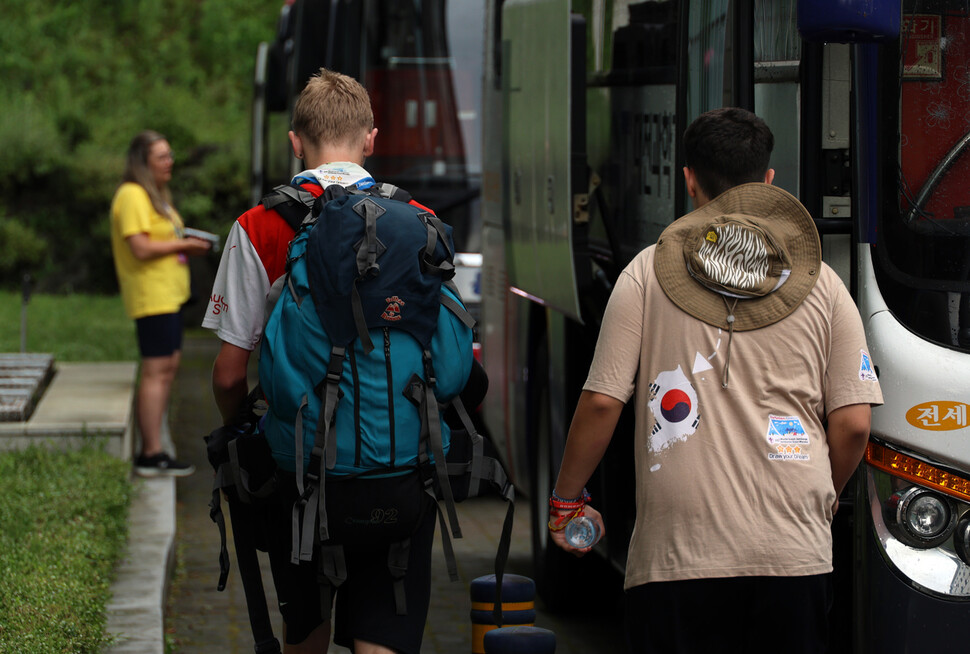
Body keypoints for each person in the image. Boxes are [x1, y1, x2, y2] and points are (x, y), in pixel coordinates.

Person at [548, 107, 884, 653]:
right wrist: (822, 498)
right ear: (769, 181)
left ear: (689, 180)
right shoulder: (823, 284)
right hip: (792, 552)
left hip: (677, 557)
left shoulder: (645, 273)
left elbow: (602, 403)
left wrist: (566, 501)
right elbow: (852, 426)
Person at [202, 68, 467, 654]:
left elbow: (228, 373)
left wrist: (242, 428)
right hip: (404, 473)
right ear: (371, 139)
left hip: (300, 477)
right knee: (385, 632)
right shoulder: (419, 222)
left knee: (307, 636)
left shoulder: (259, 227)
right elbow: (451, 365)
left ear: (294, 141)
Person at [110, 130, 211, 477]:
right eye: (162, 157)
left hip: (168, 296)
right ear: (143, 162)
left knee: (167, 368)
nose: (170, 162)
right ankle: (150, 453)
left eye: (170, 155)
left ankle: (155, 444)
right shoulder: (132, 195)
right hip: (151, 297)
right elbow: (140, 247)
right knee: (156, 371)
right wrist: (186, 247)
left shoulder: (155, 196)